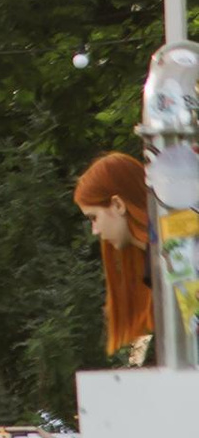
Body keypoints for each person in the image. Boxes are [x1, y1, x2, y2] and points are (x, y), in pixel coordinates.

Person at [76, 151, 155, 361]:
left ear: (118, 205)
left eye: (94, 217)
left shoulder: (175, 260)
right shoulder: (155, 263)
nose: (95, 230)